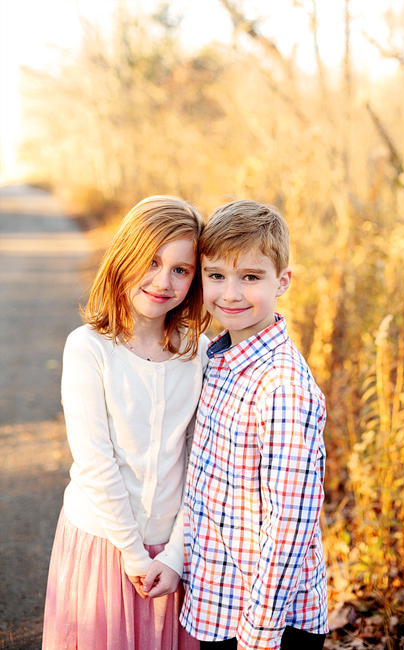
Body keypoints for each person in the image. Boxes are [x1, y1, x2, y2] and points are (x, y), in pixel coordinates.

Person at [43, 196, 209, 650]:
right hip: (105, 544)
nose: (163, 281)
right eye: (151, 261)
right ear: (124, 258)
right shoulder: (89, 348)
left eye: (181, 269)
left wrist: (175, 555)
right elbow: (96, 463)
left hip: (174, 552)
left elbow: (201, 463)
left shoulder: (197, 353)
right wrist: (134, 555)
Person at [180, 200, 328, 650]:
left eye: (250, 277)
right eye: (217, 275)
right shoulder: (217, 359)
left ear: (282, 281)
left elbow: (292, 520)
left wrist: (259, 632)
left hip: (266, 623)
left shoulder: (280, 385)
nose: (231, 293)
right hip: (217, 602)